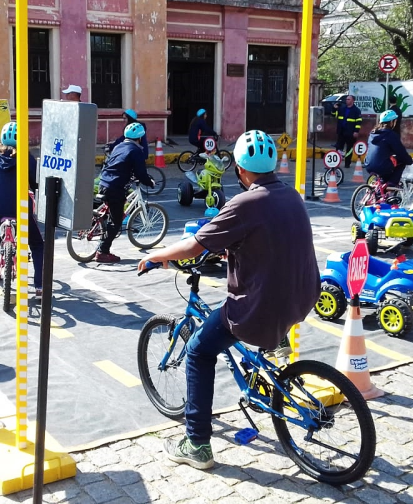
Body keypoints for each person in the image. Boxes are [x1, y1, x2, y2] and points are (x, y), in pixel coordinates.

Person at [137, 130, 320, 470]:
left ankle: (197, 444)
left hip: (263, 306)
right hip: (303, 296)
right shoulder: (291, 195)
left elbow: (193, 246)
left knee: (198, 351)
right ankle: (273, 344)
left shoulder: (246, 202)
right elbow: (269, 241)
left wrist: (156, 255)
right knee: (255, 318)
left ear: (240, 169)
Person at [0, 122, 45, 298]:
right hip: (20, 208)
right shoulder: (26, 157)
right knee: (36, 244)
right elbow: (36, 182)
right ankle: (40, 287)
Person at [96, 122, 155, 263]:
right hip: (115, 187)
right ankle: (102, 252)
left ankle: (103, 230)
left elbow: (118, 164)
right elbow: (141, 173)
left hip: (104, 183)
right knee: (116, 222)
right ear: (140, 138)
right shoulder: (136, 151)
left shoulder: (119, 146)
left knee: (111, 212)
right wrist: (149, 182)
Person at [365, 110, 413, 187]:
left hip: (368, 165)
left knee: (386, 165)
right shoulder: (391, 135)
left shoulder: (373, 133)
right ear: (392, 122)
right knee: (402, 162)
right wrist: (409, 160)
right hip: (382, 167)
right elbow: (401, 152)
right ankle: (392, 184)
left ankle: (381, 189)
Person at [334, 95, 362, 168]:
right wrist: (334, 109)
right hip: (341, 131)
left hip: (350, 133)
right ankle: (336, 163)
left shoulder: (356, 110)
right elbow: (334, 115)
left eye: (348, 99)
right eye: (346, 99)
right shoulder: (342, 109)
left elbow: (358, 122)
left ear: (353, 101)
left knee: (349, 149)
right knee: (339, 148)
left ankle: (347, 163)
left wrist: (356, 131)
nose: (347, 100)